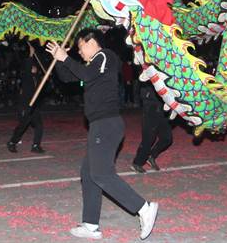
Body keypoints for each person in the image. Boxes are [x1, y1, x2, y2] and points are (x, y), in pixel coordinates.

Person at [46, 29, 158, 240]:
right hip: (99, 125)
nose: (79, 52)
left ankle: (143, 208)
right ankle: (90, 225)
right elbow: (70, 77)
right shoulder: (92, 65)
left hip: (107, 124)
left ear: (92, 42)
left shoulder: (105, 56)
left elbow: (85, 74)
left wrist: (66, 58)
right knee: (88, 174)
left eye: (80, 46)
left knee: (101, 174)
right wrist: (59, 60)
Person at [7, 43, 44, 153]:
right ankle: (12, 142)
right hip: (25, 105)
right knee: (23, 126)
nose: (33, 67)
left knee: (39, 125)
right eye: (32, 66)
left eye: (35, 66)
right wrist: (31, 54)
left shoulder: (36, 78)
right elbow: (28, 64)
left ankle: (36, 145)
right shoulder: (27, 76)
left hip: (34, 106)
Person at [131, 83, 172, 173]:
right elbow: (144, 92)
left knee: (167, 138)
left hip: (163, 110)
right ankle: (137, 163)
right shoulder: (149, 73)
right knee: (149, 139)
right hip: (151, 109)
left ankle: (151, 156)